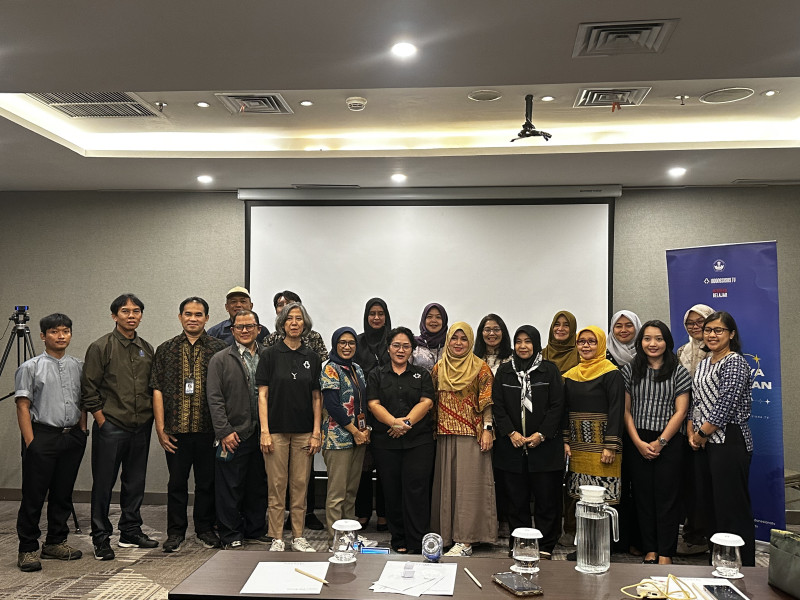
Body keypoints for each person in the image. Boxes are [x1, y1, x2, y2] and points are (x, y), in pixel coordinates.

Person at [81, 293, 156, 560]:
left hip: (141, 425)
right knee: (103, 483)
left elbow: (152, 387)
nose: (131, 315)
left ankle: (130, 531)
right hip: (111, 425)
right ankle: (101, 538)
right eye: (125, 311)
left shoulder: (147, 348)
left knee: (135, 482)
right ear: (115, 316)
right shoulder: (101, 347)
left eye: (136, 311)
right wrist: (101, 419)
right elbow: (88, 389)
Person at [150, 297, 228, 552]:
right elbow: (157, 390)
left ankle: (205, 529)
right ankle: (175, 531)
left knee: (206, 483)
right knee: (177, 483)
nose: (193, 318)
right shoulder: (166, 349)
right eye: (188, 313)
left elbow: (225, 391)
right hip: (176, 431)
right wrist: (161, 429)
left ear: (207, 318)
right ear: (180, 316)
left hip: (208, 431)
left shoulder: (219, 349)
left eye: (198, 314)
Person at [15, 314, 87, 572]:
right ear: (43, 335)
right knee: (33, 496)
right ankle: (28, 548)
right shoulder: (30, 367)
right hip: (41, 436)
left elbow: (83, 401)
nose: (60, 336)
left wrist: (83, 430)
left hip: (72, 438)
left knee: (63, 493)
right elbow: (23, 406)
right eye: (54, 332)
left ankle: (55, 542)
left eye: (65, 331)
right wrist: (31, 442)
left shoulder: (78, 365)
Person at [688, 311, 756, 566]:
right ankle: (718, 561)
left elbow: (726, 404)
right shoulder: (706, 362)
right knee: (711, 506)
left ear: (731, 334)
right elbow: (697, 400)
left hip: (730, 441)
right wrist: (693, 432)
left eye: (718, 330)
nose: (712, 335)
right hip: (705, 443)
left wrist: (703, 433)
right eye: (708, 330)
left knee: (732, 508)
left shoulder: (735, 362)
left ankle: (743, 566)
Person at [621, 320, 691, 565]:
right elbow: (626, 411)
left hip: (669, 440)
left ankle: (666, 552)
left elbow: (681, 411)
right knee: (643, 496)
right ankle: (649, 547)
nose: (653, 343)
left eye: (659, 338)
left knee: (667, 497)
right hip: (637, 438)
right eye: (648, 338)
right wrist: (639, 443)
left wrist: (660, 442)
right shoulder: (630, 370)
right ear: (641, 342)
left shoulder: (678, 370)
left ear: (667, 342)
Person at [491, 325, 565, 557]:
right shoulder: (504, 372)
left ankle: (544, 546)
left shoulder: (549, 370)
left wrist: (541, 434)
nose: (523, 346)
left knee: (546, 501)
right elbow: (497, 406)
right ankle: (521, 544)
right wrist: (511, 433)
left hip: (544, 447)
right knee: (516, 502)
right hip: (512, 447)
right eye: (519, 341)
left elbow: (557, 406)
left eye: (528, 341)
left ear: (536, 344)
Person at [256, 302, 323, 552]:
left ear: (305, 324)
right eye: (289, 319)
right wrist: (264, 431)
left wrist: (317, 432)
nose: (294, 323)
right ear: (282, 324)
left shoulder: (313, 357)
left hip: (305, 431)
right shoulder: (270, 355)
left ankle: (298, 536)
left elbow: (317, 397)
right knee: (276, 485)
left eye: (299, 319)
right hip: (275, 431)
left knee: (300, 485)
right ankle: (276, 537)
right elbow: (262, 395)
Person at [367, 326, 436, 554]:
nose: (400, 350)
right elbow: (373, 404)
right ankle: (399, 539)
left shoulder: (422, 374)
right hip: (386, 443)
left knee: (416, 490)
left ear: (412, 350)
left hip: (419, 442)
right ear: (388, 348)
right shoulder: (376, 374)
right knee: (392, 490)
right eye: (396, 345)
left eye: (406, 346)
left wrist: (404, 424)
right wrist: (393, 423)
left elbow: (426, 402)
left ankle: (418, 540)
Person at [431, 322, 496, 556]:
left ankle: (466, 540)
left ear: (470, 341)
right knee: (446, 487)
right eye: (454, 338)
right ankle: (447, 536)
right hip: (443, 434)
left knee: (469, 488)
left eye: (464, 339)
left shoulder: (481, 368)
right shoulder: (439, 368)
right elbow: (432, 402)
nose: (458, 343)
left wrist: (488, 429)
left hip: (472, 434)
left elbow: (487, 402)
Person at [206, 309, 268, 549]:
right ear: (231, 331)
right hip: (233, 433)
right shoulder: (220, 359)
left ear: (258, 329)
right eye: (239, 327)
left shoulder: (268, 356)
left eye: (249, 326)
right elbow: (214, 398)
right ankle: (230, 534)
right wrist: (223, 431)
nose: (244, 331)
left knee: (257, 485)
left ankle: (255, 529)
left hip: (262, 433)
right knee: (229, 488)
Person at [562, 326, 624, 503]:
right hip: (577, 449)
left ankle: (605, 533)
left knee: (603, 500)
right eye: (581, 342)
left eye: (592, 341)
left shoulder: (611, 373)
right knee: (579, 498)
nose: (586, 346)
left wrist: (611, 446)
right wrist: (565, 441)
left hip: (603, 448)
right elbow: (565, 410)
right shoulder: (571, 375)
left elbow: (616, 409)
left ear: (601, 344)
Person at [320, 327, 370, 545]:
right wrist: (355, 431)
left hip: (358, 437)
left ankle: (348, 534)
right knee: (337, 493)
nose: (347, 346)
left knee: (351, 491)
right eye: (342, 342)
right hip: (338, 438)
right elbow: (332, 406)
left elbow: (362, 402)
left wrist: (365, 430)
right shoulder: (330, 369)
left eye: (351, 343)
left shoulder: (357, 368)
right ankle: (335, 537)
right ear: (335, 344)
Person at [675, 303, 715, 556]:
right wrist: (689, 428)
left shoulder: (718, 352)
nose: (695, 327)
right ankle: (693, 532)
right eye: (690, 323)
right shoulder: (682, 351)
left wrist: (702, 431)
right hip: (684, 426)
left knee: (709, 485)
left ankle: (709, 536)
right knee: (690, 483)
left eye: (700, 322)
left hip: (713, 430)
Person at [354, 297, 390, 531]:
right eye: (372, 314)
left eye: (380, 314)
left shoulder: (393, 341)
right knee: (363, 468)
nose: (376, 318)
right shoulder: (357, 342)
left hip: (389, 412)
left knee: (387, 467)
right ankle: (363, 513)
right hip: (363, 415)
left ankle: (385, 514)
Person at [411, 303, 448, 372]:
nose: (433, 320)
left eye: (438, 317)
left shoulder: (450, 346)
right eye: (429, 317)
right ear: (423, 320)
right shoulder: (413, 344)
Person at [541, 310, 580, 374]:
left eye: (566, 325)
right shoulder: (542, 354)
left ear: (572, 329)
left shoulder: (580, 354)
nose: (560, 329)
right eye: (557, 324)